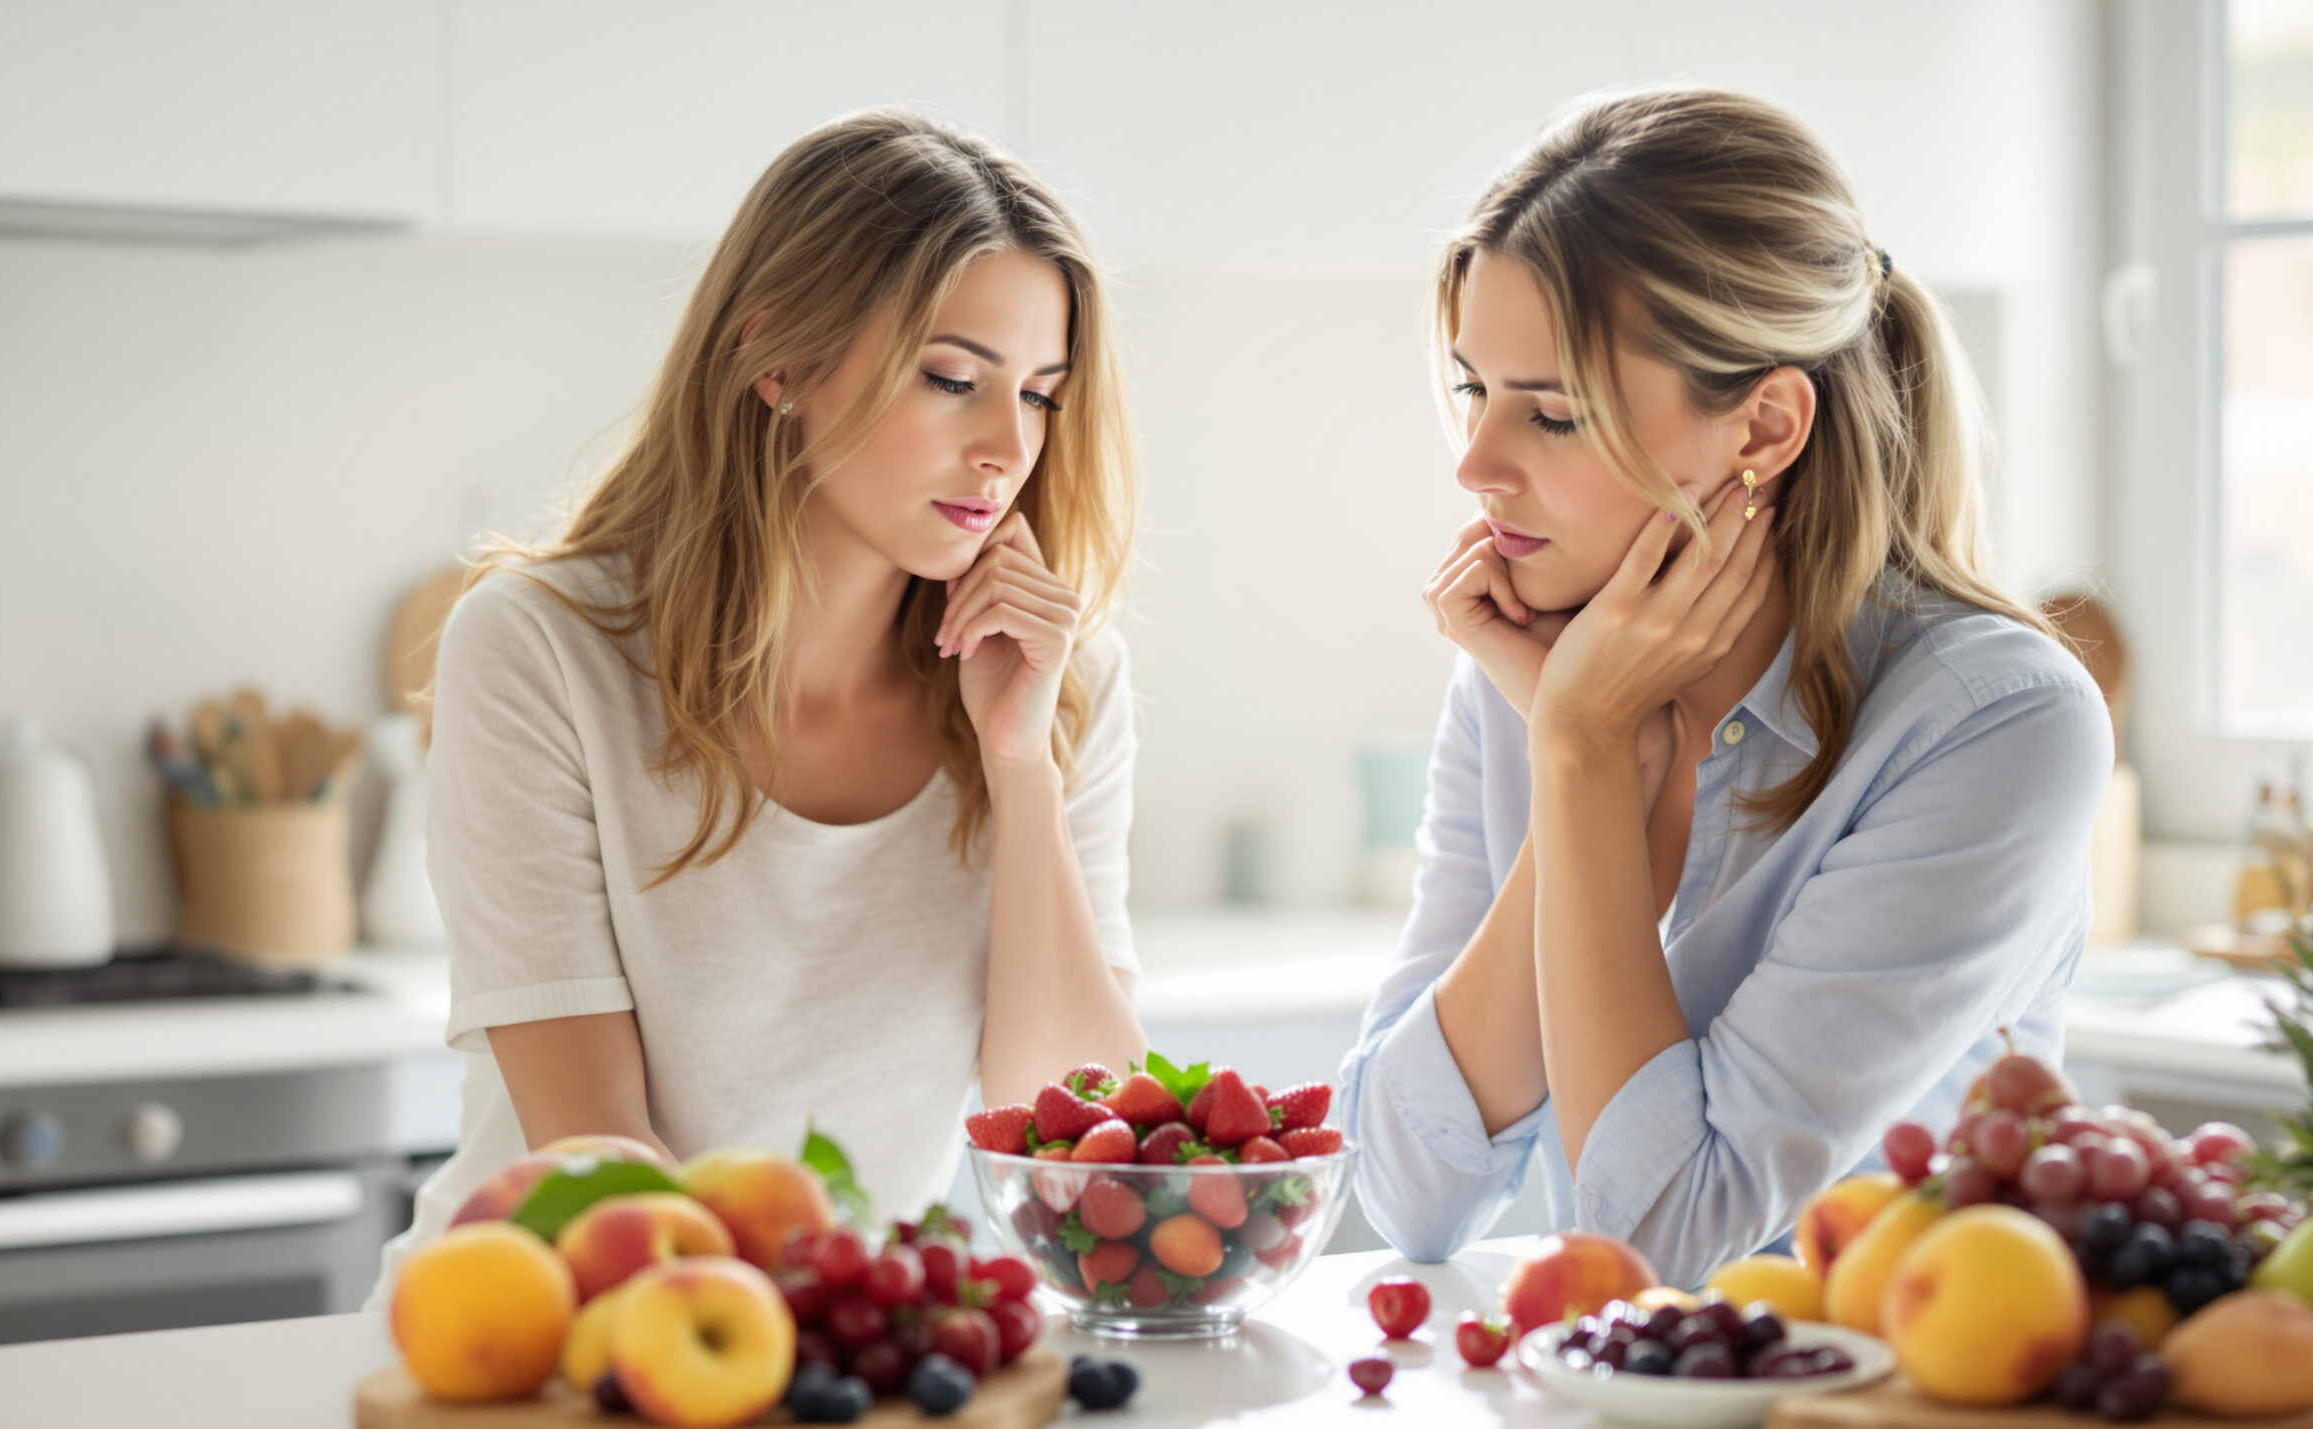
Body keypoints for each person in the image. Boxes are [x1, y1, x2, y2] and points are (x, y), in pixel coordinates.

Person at [1339, 86, 2112, 1285]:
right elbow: (1406, 1192)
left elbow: (1662, 1235)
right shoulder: (1532, 685)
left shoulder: (1996, 725)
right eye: (1472, 392)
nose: (1476, 465)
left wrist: (1587, 758)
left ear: (1761, 429)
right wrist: (1575, 751)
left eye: (1550, 415)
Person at [371, 109, 1147, 1297]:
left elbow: (1071, 1134)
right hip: (542, 1344)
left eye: (1041, 394)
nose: (1008, 446)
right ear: (777, 358)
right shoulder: (539, 650)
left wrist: (1020, 765)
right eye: (953, 379)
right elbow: (593, 1155)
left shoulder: (1055, 681)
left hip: (838, 1355)